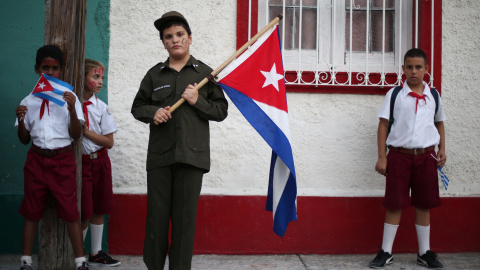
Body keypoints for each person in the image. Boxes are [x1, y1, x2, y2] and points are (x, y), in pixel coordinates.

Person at [131, 11, 228, 270]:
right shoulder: (155, 75)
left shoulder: (206, 73)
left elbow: (221, 111)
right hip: (161, 156)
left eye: (180, 35)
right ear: (163, 42)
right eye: (168, 36)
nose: (175, 40)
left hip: (192, 157)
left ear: (190, 38)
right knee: (157, 220)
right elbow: (137, 107)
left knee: (185, 223)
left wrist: (199, 101)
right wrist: (154, 112)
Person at [369, 48, 446, 269]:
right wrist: (382, 156)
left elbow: (439, 123)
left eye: (418, 67)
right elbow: (383, 125)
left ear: (426, 70)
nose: (414, 71)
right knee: (395, 204)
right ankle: (386, 251)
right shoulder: (395, 95)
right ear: (403, 69)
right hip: (399, 157)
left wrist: (442, 149)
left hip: (426, 157)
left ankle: (424, 252)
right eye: (409, 67)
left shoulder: (434, 96)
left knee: (423, 205)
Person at [14, 45, 89, 270]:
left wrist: (73, 109)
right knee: (31, 210)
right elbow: (24, 139)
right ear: (37, 69)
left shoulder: (70, 97)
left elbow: (76, 135)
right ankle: (26, 262)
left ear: (61, 70)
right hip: (37, 159)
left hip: (62, 160)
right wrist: (20, 119)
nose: (50, 72)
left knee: (70, 212)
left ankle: (80, 262)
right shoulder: (28, 101)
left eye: (55, 68)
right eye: (45, 68)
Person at [80, 59, 120, 267]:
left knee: (99, 208)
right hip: (81, 165)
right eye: (95, 77)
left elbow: (109, 142)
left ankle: (95, 252)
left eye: (101, 77)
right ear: (82, 78)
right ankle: (76, 256)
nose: (100, 81)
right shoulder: (71, 106)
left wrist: (86, 132)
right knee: (84, 211)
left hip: (100, 161)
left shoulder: (101, 108)